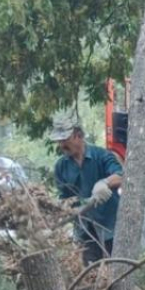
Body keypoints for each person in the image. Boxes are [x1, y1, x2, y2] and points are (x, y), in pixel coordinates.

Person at [50, 114, 123, 266]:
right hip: (84, 230)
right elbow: (64, 199)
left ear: (79, 136)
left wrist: (105, 182)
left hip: (110, 227)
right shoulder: (61, 167)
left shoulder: (101, 155)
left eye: (65, 140)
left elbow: (121, 175)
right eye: (59, 141)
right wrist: (66, 210)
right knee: (91, 273)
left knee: (114, 270)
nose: (61, 145)